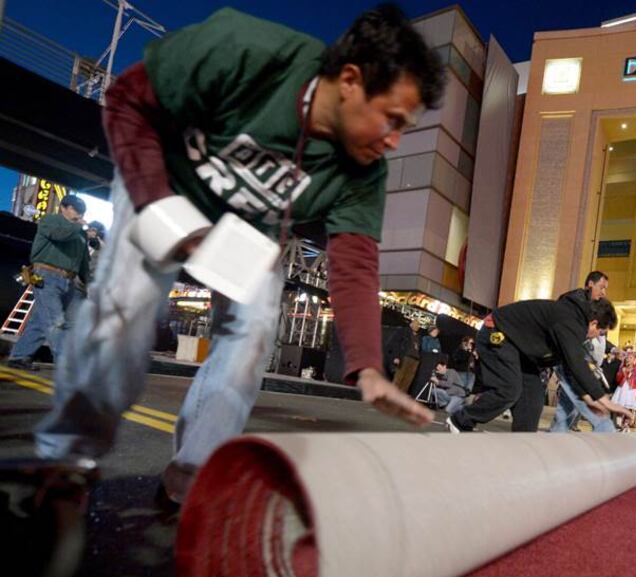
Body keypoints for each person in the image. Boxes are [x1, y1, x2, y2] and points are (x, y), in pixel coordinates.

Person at [32, 5, 444, 504]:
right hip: (167, 182)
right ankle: (68, 457)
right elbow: (127, 100)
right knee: (125, 307)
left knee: (250, 334)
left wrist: (370, 367)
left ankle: (193, 474)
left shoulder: (364, 171)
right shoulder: (248, 52)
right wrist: (161, 208)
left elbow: (354, 262)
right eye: (392, 119)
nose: (394, 141)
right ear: (351, 80)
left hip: (248, 227)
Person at [448, 292, 631, 433]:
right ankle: (460, 420)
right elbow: (576, 362)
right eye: (601, 332)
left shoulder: (572, 326)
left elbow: (570, 367)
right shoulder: (568, 319)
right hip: (497, 334)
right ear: (593, 323)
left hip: (521, 351)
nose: (598, 337)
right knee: (509, 390)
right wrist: (604, 399)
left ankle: (521, 447)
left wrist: (587, 398)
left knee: (532, 400)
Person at [6, 195, 90, 371]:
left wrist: (89, 283)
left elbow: (83, 260)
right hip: (47, 275)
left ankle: (19, 356)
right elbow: (60, 235)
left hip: (68, 280)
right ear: (63, 207)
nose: (80, 214)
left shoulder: (79, 232)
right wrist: (78, 226)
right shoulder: (51, 220)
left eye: (82, 211)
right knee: (56, 321)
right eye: (76, 209)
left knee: (40, 321)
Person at [549, 273, 618, 434]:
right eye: (602, 287)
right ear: (590, 284)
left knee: (568, 402)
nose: (603, 292)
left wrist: (614, 349)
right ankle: (605, 430)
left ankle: (556, 435)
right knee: (579, 389)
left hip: (577, 351)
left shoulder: (593, 306)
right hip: (569, 351)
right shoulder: (574, 302)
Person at [611, 350, 636, 431]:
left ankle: (626, 424)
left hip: (631, 391)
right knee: (620, 407)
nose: (628, 359)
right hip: (622, 390)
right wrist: (623, 372)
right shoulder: (622, 368)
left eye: (631, 358)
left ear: (634, 360)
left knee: (629, 408)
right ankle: (618, 424)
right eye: (627, 358)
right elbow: (618, 379)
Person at [388, 319, 423, 391]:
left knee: (408, 380)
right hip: (405, 357)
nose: (417, 326)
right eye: (415, 324)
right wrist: (396, 356)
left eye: (418, 325)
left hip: (415, 360)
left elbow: (419, 349)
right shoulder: (404, 332)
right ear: (411, 324)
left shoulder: (419, 337)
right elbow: (396, 343)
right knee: (399, 377)